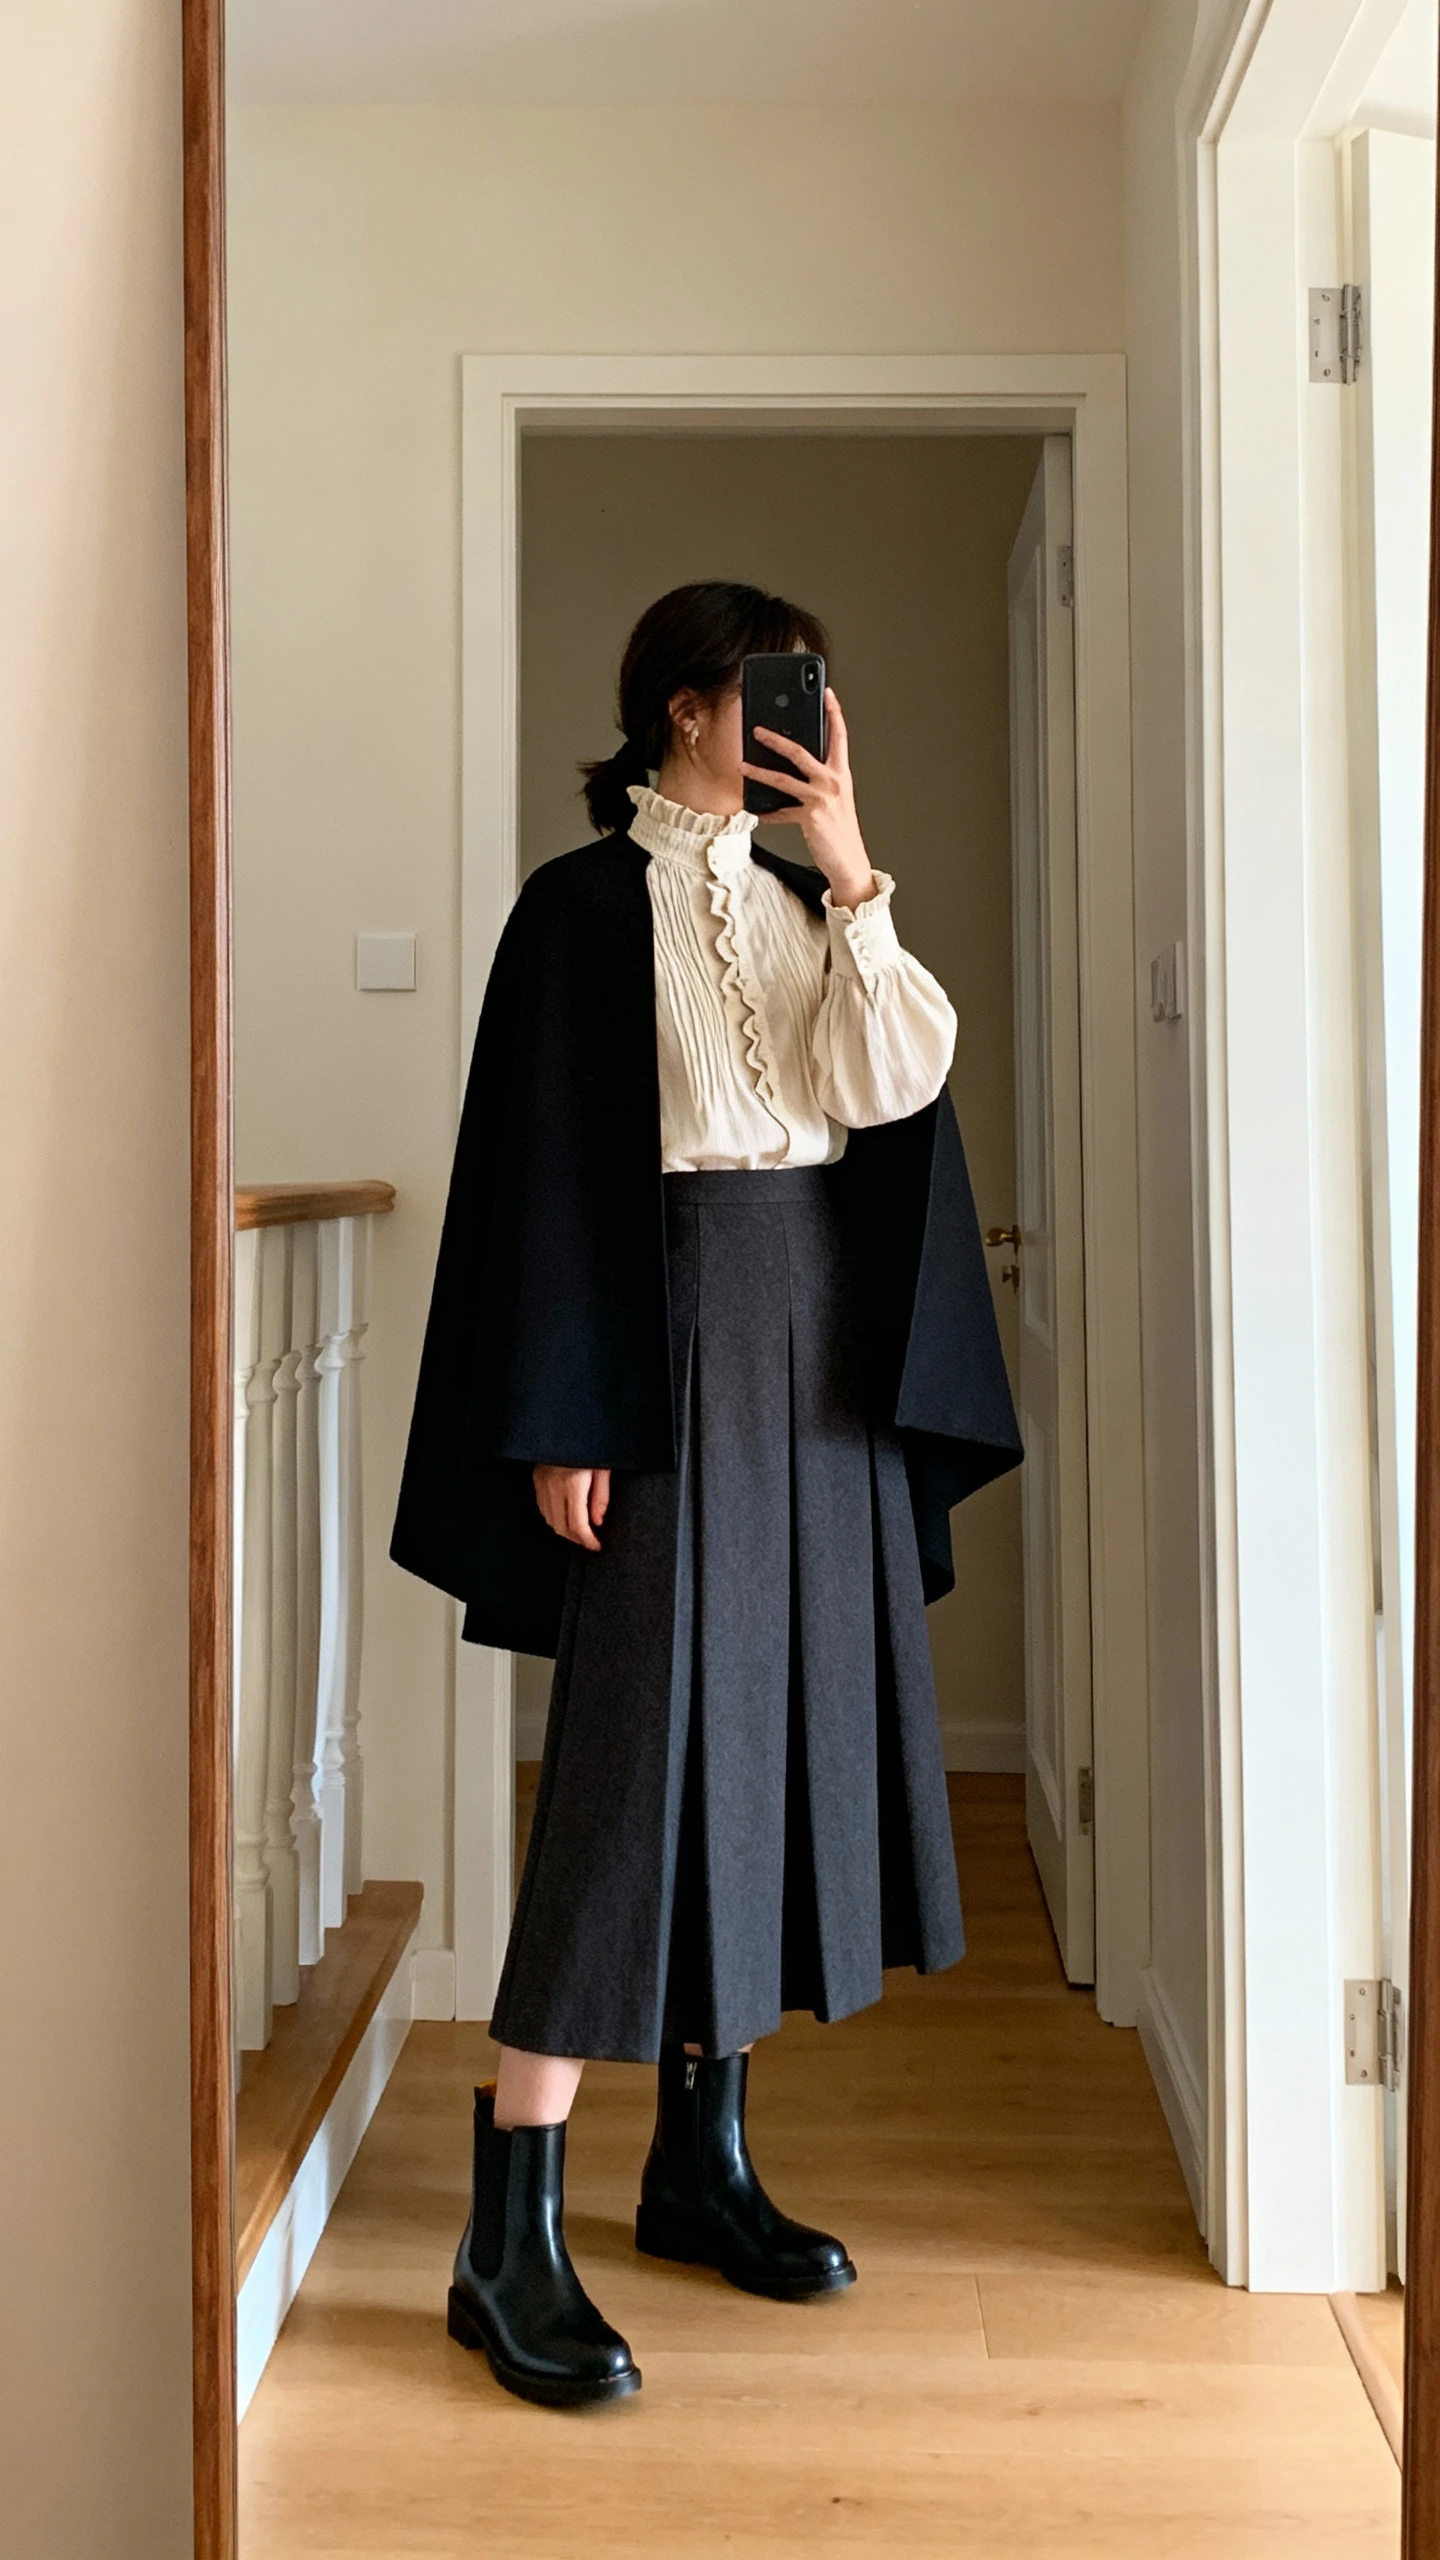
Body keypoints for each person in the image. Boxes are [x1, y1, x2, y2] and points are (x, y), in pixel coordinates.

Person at [392, 580, 1021, 2408]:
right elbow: (543, 1185)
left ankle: (698, 2163)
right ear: (684, 704)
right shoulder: (579, 910)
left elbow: (887, 1085)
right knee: (633, 1758)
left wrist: (851, 867)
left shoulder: (809, 904)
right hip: (655, 1349)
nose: (792, 722)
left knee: (771, 1737)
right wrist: (559, 1411)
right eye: (763, 693)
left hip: (813, 1342)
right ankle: (506, 2232)